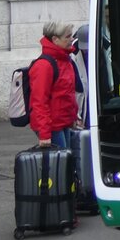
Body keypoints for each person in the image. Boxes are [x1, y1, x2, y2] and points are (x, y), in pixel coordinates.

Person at [28, 21, 81, 149]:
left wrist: (73, 118)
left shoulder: (64, 59)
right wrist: (44, 133)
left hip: (62, 122)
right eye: (67, 37)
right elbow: (39, 102)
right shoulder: (44, 65)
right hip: (51, 125)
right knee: (61, 165)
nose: (72, 39)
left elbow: (68, 94)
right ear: (55, 39)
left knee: (66, 163)